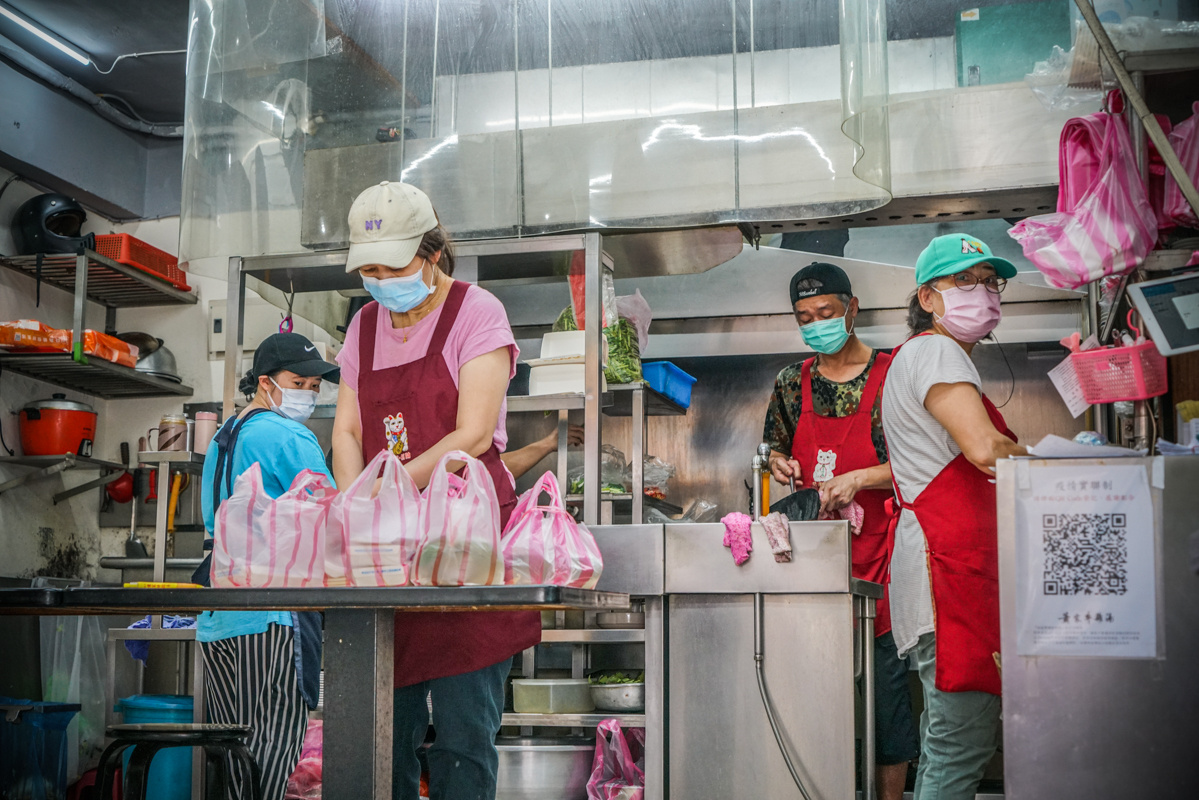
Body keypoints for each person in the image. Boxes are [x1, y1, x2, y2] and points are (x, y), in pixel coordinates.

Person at [330, 181, 542, 800]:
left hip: (464, 552)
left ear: (430, 252)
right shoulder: (363, 326)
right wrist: (355, 501)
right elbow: (346, 427)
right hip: (385, 556)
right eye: (366, 268)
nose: (377, 279)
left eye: (391, 265)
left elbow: (472, 435)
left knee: (460, 740)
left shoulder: (477, 312)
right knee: (379, 739)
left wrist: (386, 486)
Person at [763, 261, 919, 800]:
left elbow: (923, 461)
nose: (816, 323)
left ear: (852, 308)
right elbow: (776, 453)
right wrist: (778, 464)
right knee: (812, 694)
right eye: (805, 317)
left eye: (826, 312)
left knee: (888, 696)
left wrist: (861, 478)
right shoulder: (791, 382)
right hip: (810, 565)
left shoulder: (894, 371)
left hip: (882, 558)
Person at [882, 234, 1027, 800]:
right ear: (927, 296)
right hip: (950, 576)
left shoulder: (922, 358)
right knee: (958, 750)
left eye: (991, 282)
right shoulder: (934, 351)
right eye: (963, 281)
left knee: (949, 743)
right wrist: (1068, 464)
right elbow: (986, 450)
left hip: (951, 573)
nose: (982, 292)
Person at [196, 332, 340, 800]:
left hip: (219, 615)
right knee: (272, 749)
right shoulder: (287, 435)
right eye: (299, 382)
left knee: (231, 749)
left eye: (316, 386)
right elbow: (333, 514)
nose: (309, 394)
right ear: (265, 382)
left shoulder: (223, 436)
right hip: (275, 614)